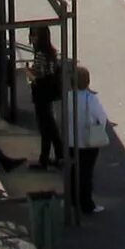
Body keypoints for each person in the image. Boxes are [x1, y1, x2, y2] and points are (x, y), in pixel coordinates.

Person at [66, 66, 111, 214]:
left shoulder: (68, 97)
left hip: (72, 140)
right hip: (88, 142)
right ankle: (86, 204)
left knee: (73, 170)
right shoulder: (90, 99)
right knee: (86, 173)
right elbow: (101, 118)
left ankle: (72, 199)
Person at [28, 26, 65, 169]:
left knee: (45, 127)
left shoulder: (40, 54)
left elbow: (38, 76)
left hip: (41, 94)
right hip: (49, 93)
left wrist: (28, 72)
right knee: (51, 125)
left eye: (33, 35)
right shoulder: (51, 52)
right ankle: (59, 155)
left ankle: (44, 159)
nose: (31, 38)